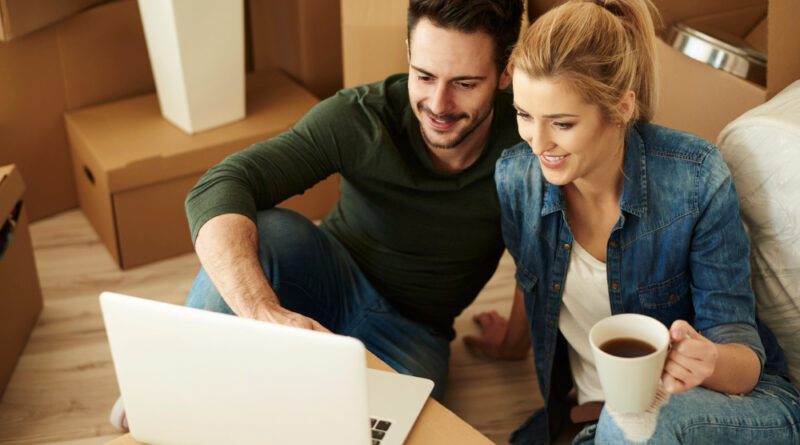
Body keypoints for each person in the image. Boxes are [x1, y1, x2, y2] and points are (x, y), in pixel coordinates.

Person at [464, 0, 800, 443]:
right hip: (599, 420)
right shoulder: (516, 178)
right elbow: (533, 277)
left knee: (633, 423)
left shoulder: (696, 180)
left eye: (562, 123)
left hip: (730, 407)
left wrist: (705, 359)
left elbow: (744, 361)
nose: (537, 142)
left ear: (621, 108)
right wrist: (510, 344)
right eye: (524, 115)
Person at [178, 0, 523, 404]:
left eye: (464, 83)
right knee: (266, 232)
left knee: (372, 424)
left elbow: (545, 259)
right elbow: (221, 185)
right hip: (324, 274)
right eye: (424, 75)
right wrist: (260, 311)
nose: (438, 105)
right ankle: (179, 379)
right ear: (409, 51)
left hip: (413, 332)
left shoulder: (529, 140)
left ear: (504, 73)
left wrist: (515, 345)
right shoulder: (362, 117)